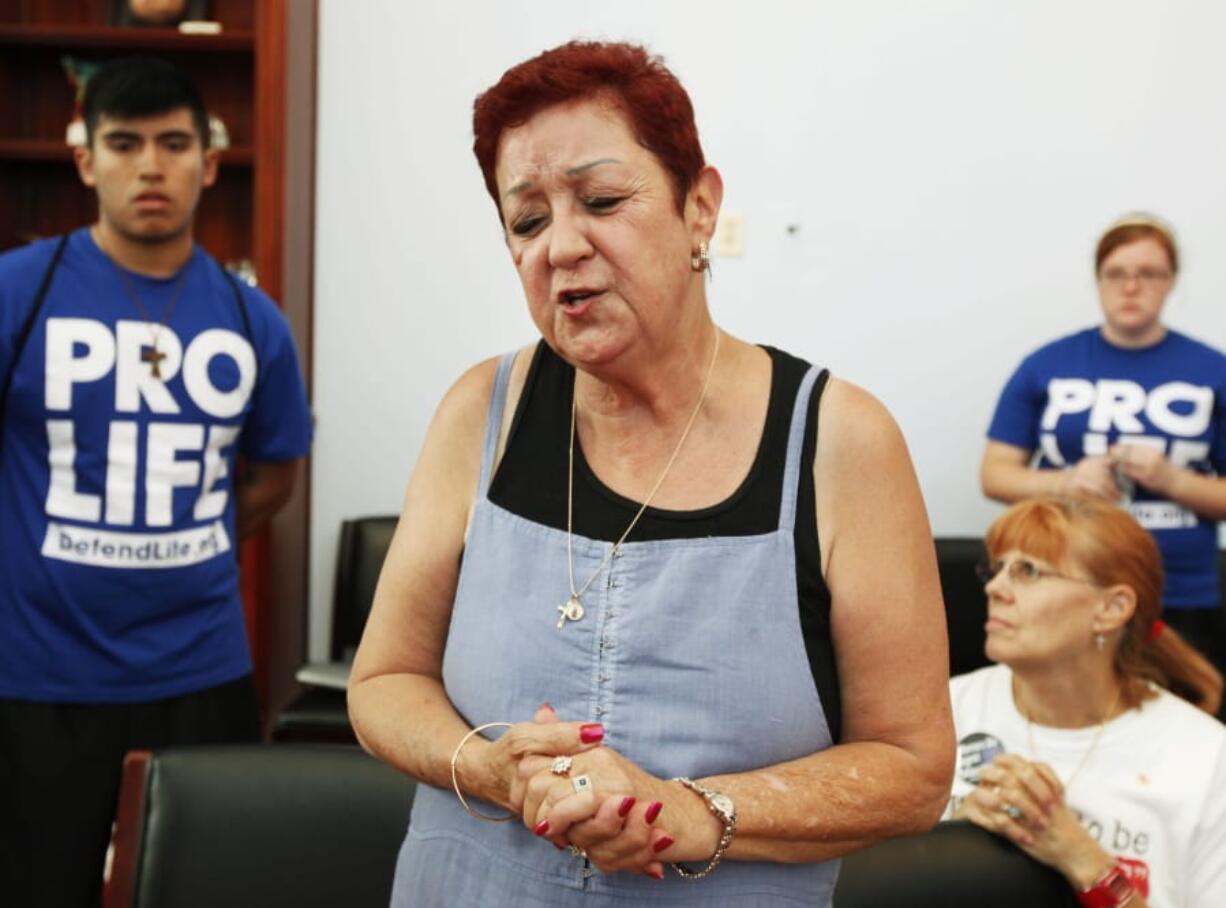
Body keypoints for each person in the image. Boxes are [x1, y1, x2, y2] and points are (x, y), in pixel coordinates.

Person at [348, 40, 953, 907]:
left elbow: (913, 769)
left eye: (602, 200)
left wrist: (696, 810)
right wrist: (490, 769)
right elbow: (381, 683)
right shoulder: (480, 412)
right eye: (526, 221)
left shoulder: (838, 441)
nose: (561, 246)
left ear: (698, 208)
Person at [0, 57, 311, 906]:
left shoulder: (254, 319)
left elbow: (277, 473)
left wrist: (185, 535)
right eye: (125, 143)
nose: (149, 166)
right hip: (38, 676)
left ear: (208, 163)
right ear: (86, 160)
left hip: (200, 672)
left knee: (205, 892)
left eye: (173, 144)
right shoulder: (16, 294)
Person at [980, 214, 1226, 718]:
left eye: (1149, 273)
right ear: (1098, 280)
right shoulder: (1046, 365)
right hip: (1061, 589)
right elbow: (995, 473)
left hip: (1181, 592)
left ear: (1171, 282)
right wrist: (1066, 482)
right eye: (1117, 273)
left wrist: (1172, 481)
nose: (1132, 286)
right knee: (1061, 726)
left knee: (1185, 734)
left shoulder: (1212, 371)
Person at [948, 497, 1226, 908]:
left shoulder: (1206, 759)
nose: (995, 587)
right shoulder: (945, 709)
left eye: (1027, 571)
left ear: (1111, 609)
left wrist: (1082, 858)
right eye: (998, 567)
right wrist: (957, 841)